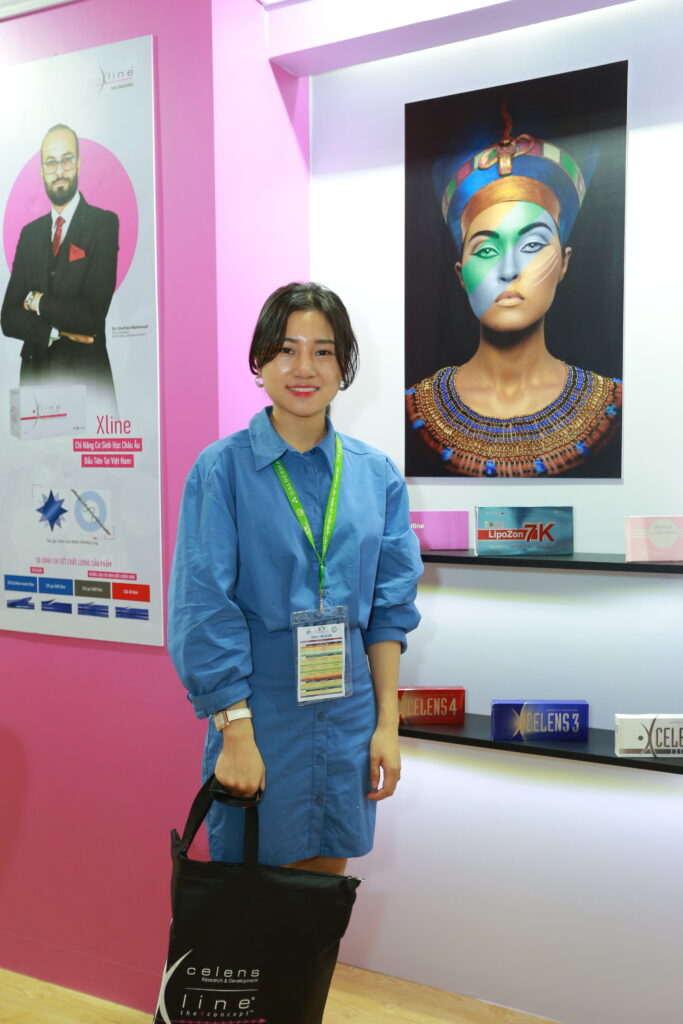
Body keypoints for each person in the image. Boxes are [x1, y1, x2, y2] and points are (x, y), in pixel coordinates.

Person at [168, 282, 422, 874]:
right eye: (287, 349)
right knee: (252, 902)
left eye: (323, 351)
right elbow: (203, 609)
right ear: (260, 361)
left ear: (343, 366)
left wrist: (387, 726)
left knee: (319, 907)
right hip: (260, 715)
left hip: (349, 716)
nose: (304, 367)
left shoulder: (377, 475)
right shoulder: (221, 470)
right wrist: (235, 733)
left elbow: (389, 611)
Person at [406, 109, 623, 477]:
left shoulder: (617, 406)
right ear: (461, 274)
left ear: (564, 263)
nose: (508, 270)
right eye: (486, 250)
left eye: (532, 246)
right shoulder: (413, 412)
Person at [1, 123, 119, 410]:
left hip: (89, 385)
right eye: (51, 163)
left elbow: (91, 316)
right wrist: (58, 332)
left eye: (66, 160)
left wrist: (37, 301)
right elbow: (8, 317)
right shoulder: (29, 234)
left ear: (78, 163)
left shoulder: (104, 224)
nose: (59, 171)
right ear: (42, 170)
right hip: (36, 385)